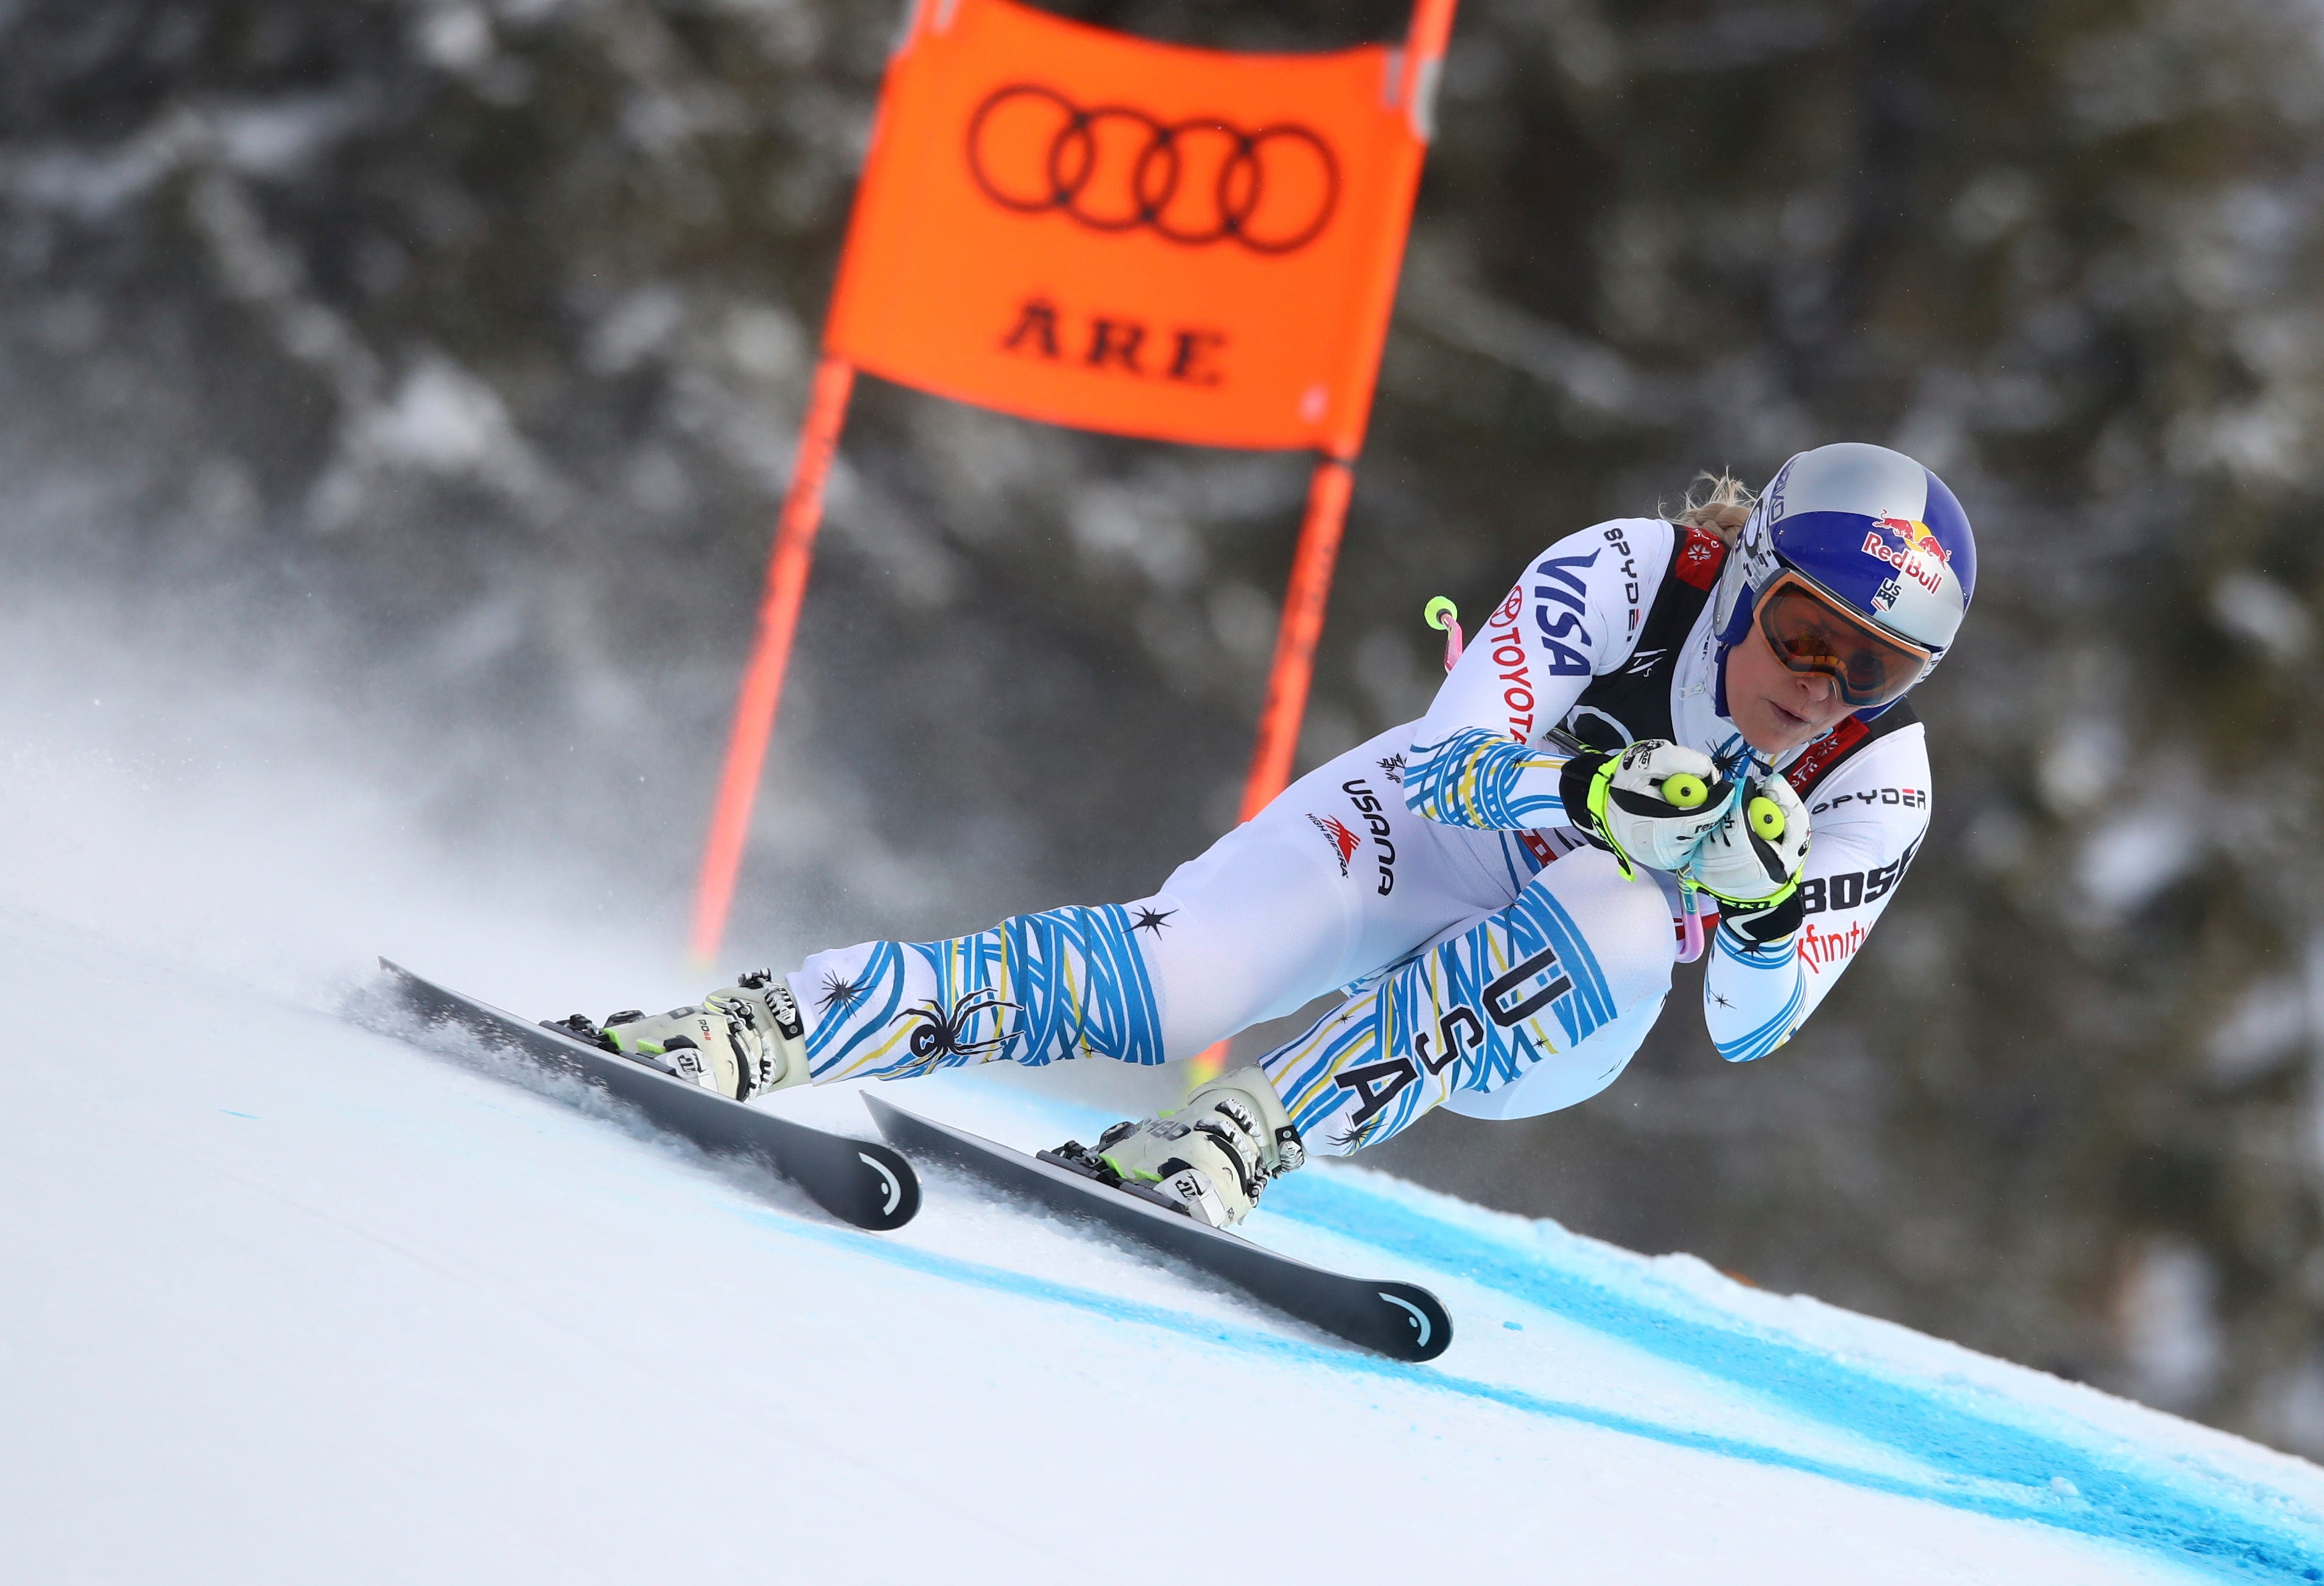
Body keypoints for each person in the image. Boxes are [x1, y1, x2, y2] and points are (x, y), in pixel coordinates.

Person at [577, 441, 1975, 1229]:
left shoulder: (1877, 778)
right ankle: (778, 1021)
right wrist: (1595, 795)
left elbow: (1749, 1025)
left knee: (1623, 907)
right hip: (1428, 839)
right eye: (1805, 630)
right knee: (1175, 981)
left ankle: (1245, 1135)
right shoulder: (1627, 573)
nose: (1821, 685)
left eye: (1877, 669)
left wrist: (1769, 908)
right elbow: (1445, 763)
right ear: (1744, 577)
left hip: (1559, 1005)